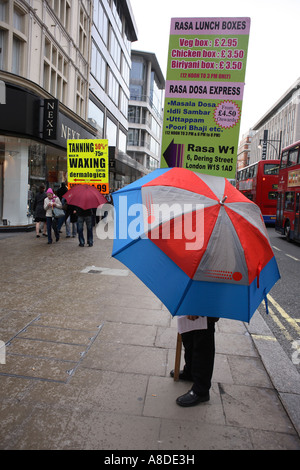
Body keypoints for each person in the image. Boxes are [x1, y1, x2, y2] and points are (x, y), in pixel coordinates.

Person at [170, 315, 219, 407]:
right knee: (188, 335)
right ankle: (190, 372)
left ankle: (201, 390)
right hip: (190, 304)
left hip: (204, 307)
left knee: (202, 342)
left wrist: (198, 309)